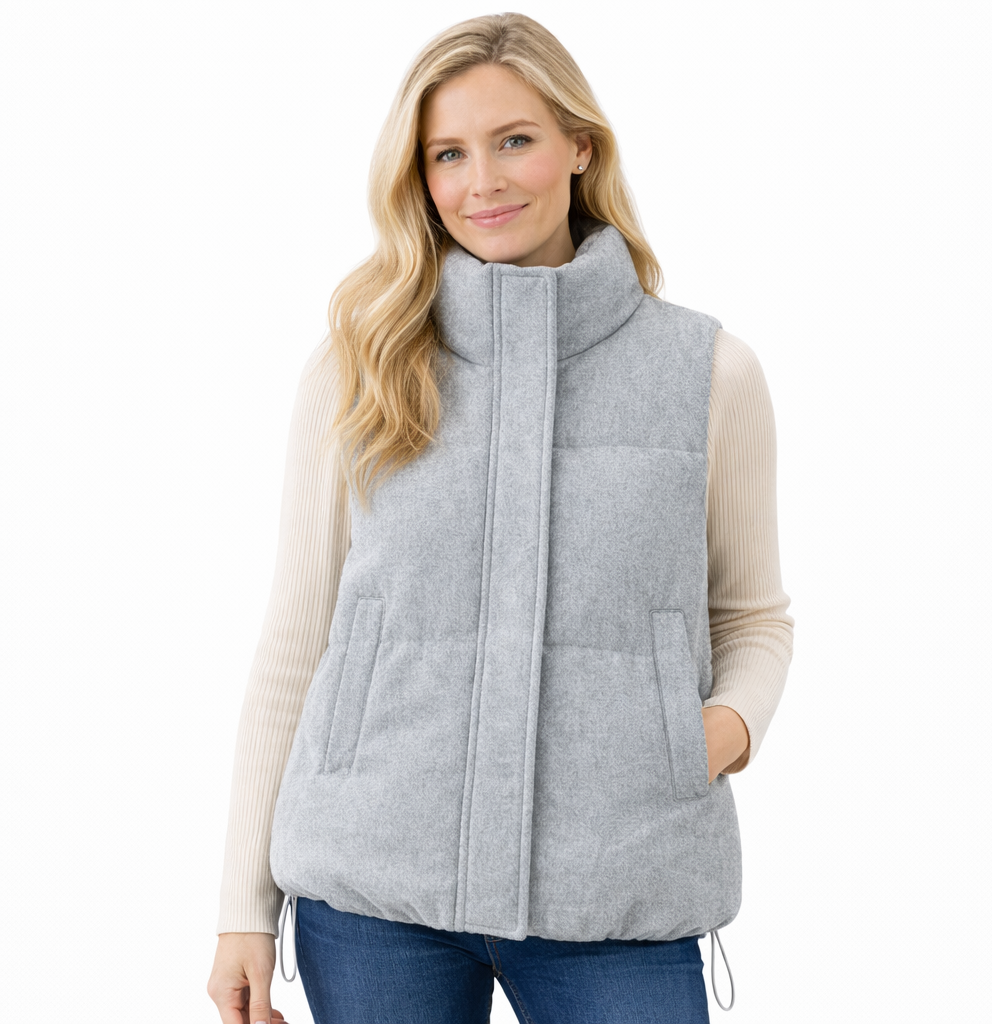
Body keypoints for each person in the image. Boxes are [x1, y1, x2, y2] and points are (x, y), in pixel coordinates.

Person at [207, 13, 794, 1024]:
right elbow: (296, 646)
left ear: (580, 146)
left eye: (514, 140)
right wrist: (240, 913)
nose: (482, 181)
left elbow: (753, 617)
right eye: (448, 153)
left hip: (620, 880)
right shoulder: (359, 366)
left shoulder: (707, 373)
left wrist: (712, 732)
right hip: (373, 889)